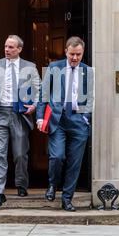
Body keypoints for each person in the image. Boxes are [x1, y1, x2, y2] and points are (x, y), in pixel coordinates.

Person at [36, 36, 94, 212]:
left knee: (75, 163)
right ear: (66, 52)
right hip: (58, 120)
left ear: (82, 53)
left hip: (78, 120)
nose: (75, 58)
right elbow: (43, 95)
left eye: (78, 54)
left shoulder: (88, 71)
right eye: (72, 54)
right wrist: (40, 117)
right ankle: (53, 184)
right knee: (57, 157)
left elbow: (90, 97)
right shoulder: (54, 68)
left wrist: (86, 118)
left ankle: (67, 199)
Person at [0, 35, 40, 208]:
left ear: (19, 49)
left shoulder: (30, 67)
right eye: (6, 46)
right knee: (0, 154)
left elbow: (39, 90)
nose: (7, 50)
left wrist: (34, 106)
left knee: (20, 154)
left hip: (19, 114)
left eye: (11, 47)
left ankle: (21, 184)